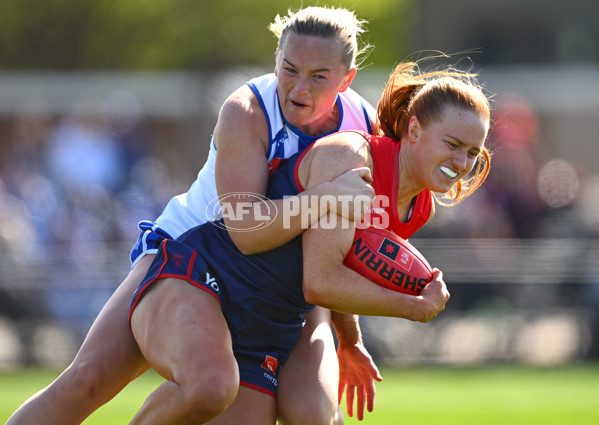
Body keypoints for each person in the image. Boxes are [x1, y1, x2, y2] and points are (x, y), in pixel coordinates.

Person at [7, 6, 381, 425]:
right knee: (88, 382)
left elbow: (346, 237)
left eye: (319, 76)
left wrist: (349, 336)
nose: (299, 89)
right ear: (275, 60)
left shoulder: (365, 124)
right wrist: (326, 195)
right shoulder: (248, 111)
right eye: (289, 69)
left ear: (346, 80)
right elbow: (245, 230)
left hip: (273, 291)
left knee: (302, 414)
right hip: (191, 254)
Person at [125, 60, 492, 424]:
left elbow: (347, 259)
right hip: (220, 281)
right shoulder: (352, 159)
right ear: (414, 130)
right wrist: (409, 306)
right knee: (182, 388)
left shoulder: (419, 208)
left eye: (473, 153)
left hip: (277, 313)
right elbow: (320, 281)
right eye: (453, 144)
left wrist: (350, 339)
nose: (462, 162)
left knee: (313, 415)